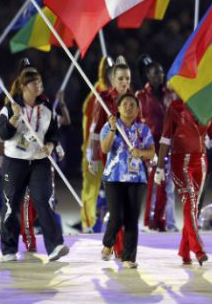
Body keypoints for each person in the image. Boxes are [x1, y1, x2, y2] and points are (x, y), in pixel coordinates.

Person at [154, 96, 212, 265]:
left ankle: (184, 251)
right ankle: (198, 249)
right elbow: (165, 139)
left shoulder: (207, 107)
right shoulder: (174, 107)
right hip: (180, 161)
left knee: (192, 209)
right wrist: (159, 167)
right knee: (190, 203)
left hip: (201, 162)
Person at [0, 60, 69, 262]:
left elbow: (54, 133)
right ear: (23, 86)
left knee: (44, 201)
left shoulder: (46, 106)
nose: (38, 86)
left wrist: (51, 146)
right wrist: (14, 119)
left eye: (39, 82)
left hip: (39, 161)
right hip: (15, 161)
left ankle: (55, 246)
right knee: (11, 205)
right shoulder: (10, 107)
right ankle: (9, 249)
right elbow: (3, 134)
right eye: (34, 83)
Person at [99, 93, 156, 268]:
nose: (129, 107)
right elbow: (104, 148)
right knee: (117, 216)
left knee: (132, 217)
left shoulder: (143, 129)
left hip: (136, 178)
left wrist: (141, 153)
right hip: (114, 177)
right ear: (118, 108)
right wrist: (114, 129)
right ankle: (108, 243)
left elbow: (152, 151)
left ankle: (129, 257)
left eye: (133, 105)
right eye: (125, 104)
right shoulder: (109, 127)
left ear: (138, 109)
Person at [89, 56, 135, 257]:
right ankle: (116, 246)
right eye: (121, 79)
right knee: (117, 205)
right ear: (113, 80)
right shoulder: (104, 100)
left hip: (131, 158)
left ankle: (117, 246)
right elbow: (95, 131)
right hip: (112, 157)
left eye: (127, 78)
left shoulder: (134, 100)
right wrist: (93, 157)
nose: (125, 82)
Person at [18, 89, 69, 253]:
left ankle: (54, 240)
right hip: (27, 169)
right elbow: (20, 146)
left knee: (47, 203)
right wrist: (32, 139)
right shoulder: (25, 120)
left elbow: (62, 125)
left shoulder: (49, 118)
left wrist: (56, 146)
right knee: (27, 204)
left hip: (45, 169)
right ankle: (29, 238)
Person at [136, 55, 177, 232]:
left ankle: (169, 222)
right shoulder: (141, 96)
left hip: (169, 144)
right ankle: (153, 220)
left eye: (161, 72)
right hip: (151, 146)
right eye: (155, 73)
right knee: (154, 183)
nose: (159, 76)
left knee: (169, 185)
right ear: (148, 75)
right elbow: (137, 122)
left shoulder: (171, 94)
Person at [79, 56, 111, 233]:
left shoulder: (118, 93)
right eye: (106, 69)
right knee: (91, 188)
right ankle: (87, 223)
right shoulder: (96, 94)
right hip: (94, 149)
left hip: (111, 150)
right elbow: (90, 125)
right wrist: (91, 152)